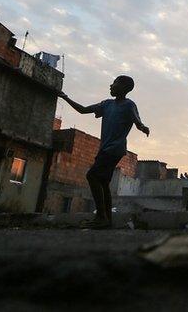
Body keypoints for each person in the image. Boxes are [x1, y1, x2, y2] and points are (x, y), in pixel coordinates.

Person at [59, 75, 149, 229]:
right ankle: (107, 219)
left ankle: (101, 217)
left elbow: (136, 121)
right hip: (105, 149)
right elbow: (83, 110)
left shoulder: (129, 105)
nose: (111, 85)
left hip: (114, 149)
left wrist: (142, 127)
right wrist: (65, 98)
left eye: (115, 83)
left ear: (124, 88)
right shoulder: (106, 104)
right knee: (103, 182)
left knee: (92, 176)